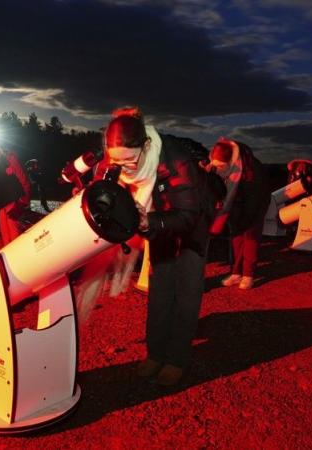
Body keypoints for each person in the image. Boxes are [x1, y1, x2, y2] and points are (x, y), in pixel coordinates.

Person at [100, 107, 210, 386]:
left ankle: (176, 359)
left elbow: (188, 215)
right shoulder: (123, 161)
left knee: (185, 297)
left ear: (146, 145)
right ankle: (155, 354)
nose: (123, 168)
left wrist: (149, 222)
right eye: (116, 161)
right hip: (158, 228)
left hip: (191, 232)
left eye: (130, 160)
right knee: (160, 295)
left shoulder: (177, 161)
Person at [208, 138, 269, 290]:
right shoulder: (223, 167)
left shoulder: (251, 170)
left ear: (230, 161)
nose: (218, 169)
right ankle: (236, 273)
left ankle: (248, 275)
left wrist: (244, 220)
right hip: (235, 205)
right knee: (235, 239)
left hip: (254, 205)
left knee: (250, 239)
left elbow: (254, 200)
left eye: (221, 166)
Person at [0, 145, 32, 245]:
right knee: (7, 241)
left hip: (14, 203)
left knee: (16, 238)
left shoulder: (8, 158)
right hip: (1, 207)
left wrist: (24, 201)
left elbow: (23, 179)